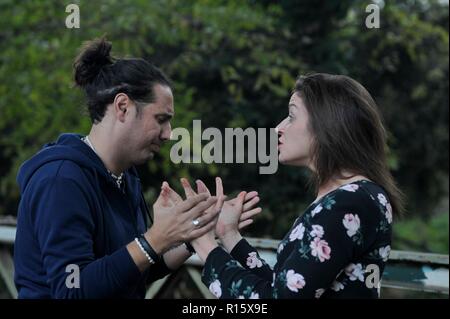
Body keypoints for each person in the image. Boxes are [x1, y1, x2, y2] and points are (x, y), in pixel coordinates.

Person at [13, 38, 260, 299]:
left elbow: (131, 271)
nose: (168, 134)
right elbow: (72, 290)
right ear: (122, 107)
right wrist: (155, 239)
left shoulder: (125, 176)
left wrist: (191, 233)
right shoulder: (61, 180)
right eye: (161, 119)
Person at [184, 73, 404, 299]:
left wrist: (203, 244)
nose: (278, 128)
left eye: (291, 116)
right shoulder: (353, 197)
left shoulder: (349, 202)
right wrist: (228, 234)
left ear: (326, 124)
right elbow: (286, 286)